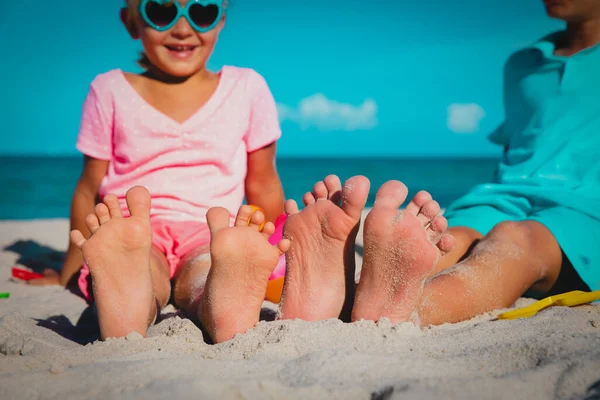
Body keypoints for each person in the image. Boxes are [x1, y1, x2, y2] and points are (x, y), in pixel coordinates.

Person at [269, 0, 600, 327]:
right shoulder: (522, 65)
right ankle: (338, 296)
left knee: (515, 240)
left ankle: (408, 312)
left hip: (584, 208)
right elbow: (523, 143)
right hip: (503, 195)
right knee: (447, 241)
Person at [32, 0, 287, 343]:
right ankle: (128, 295)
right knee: (140, 266)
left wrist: (277, 254)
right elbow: (87, 188)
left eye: (201, 12)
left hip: (212, 230)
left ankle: (225, 293)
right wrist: (70, 271)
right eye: (162, 11)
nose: (182, 28)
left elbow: (264, 183)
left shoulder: (246, 88)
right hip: (133, 230)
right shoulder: (109, 90)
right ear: (131, 21)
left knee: (209, 268)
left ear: (222, 19)